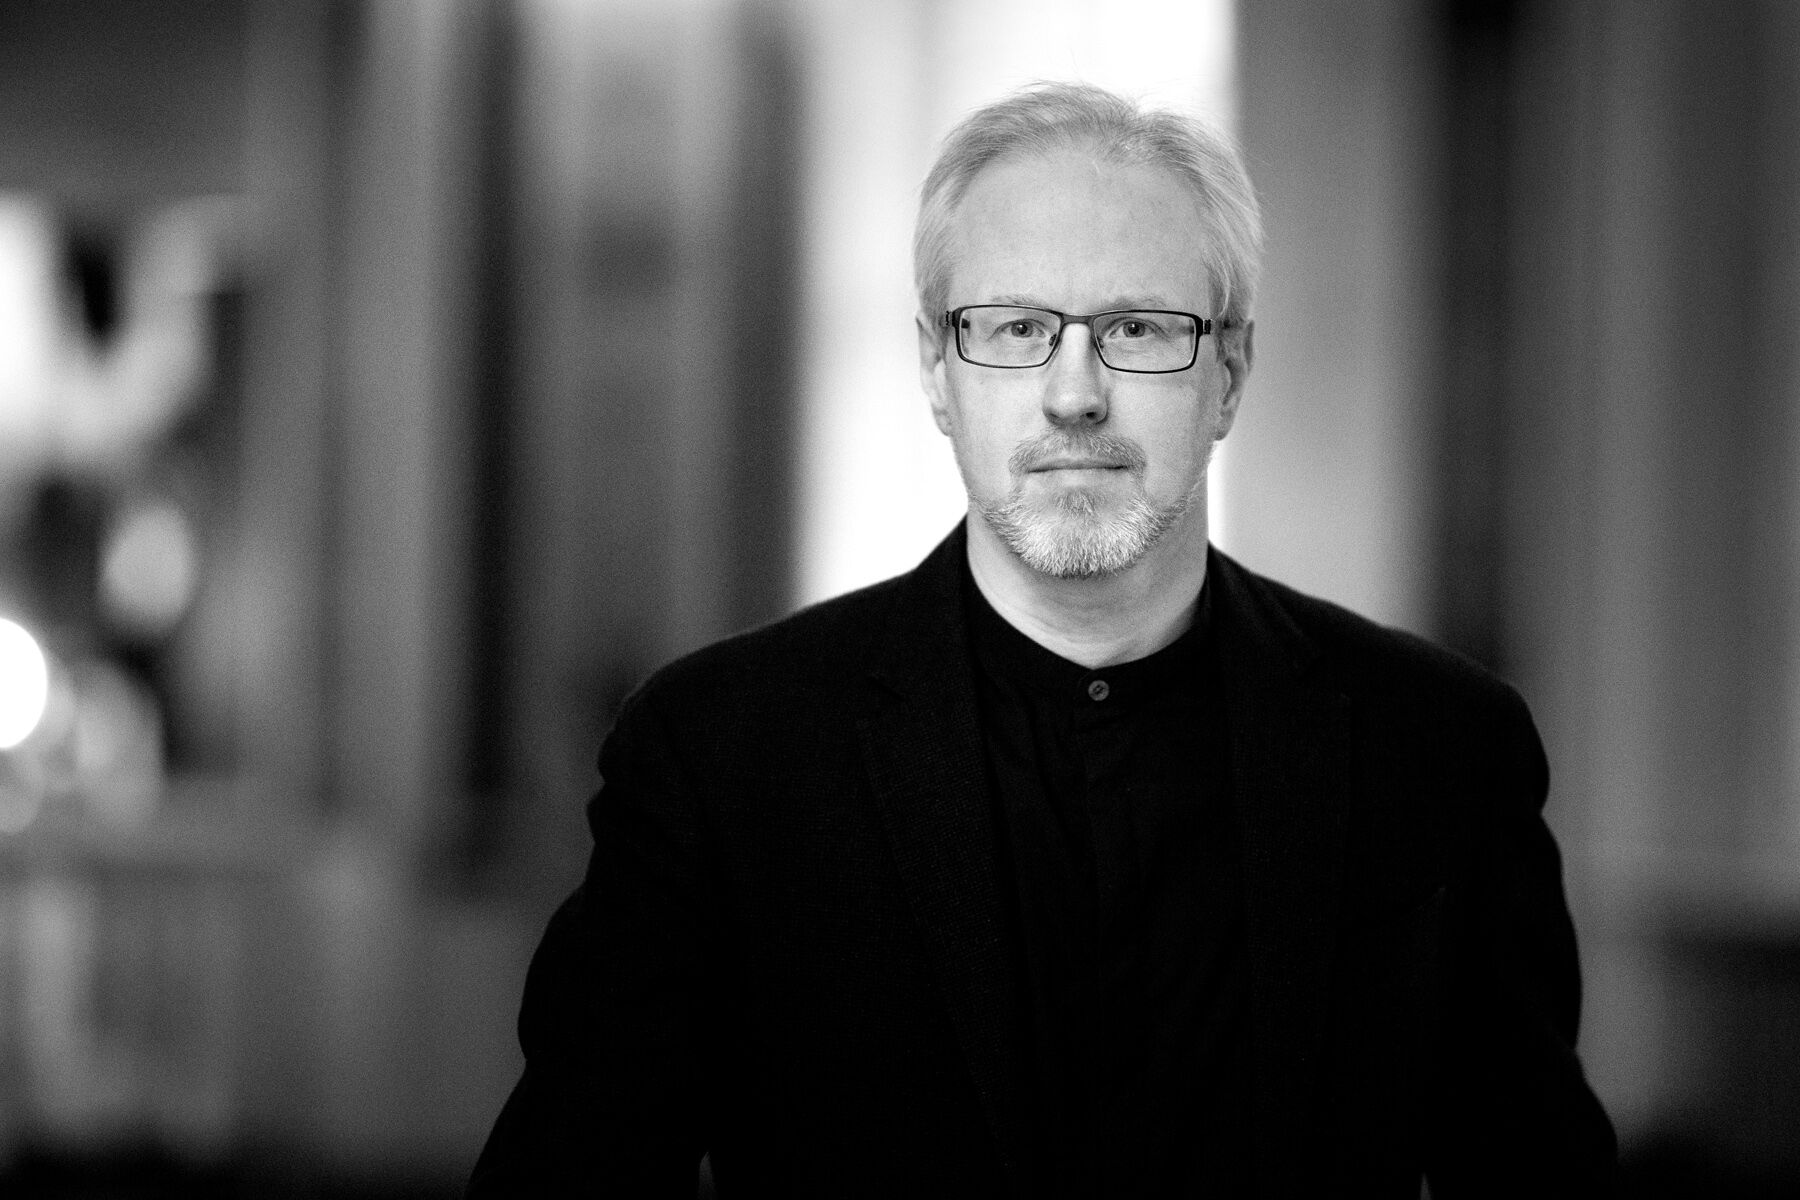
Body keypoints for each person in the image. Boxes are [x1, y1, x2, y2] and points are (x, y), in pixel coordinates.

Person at [469, 82, 1617, 1197]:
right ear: (937, 370)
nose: (1075, 394)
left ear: (1231, 372)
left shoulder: (1441, 751)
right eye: (1016, 328)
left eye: (1137, 328)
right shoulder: (722, 757)